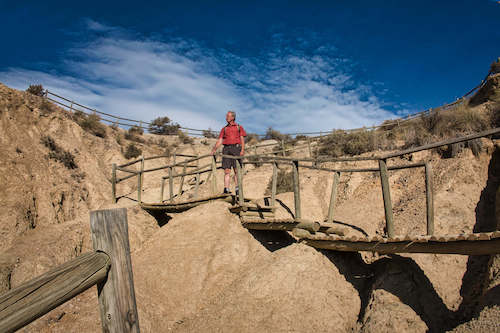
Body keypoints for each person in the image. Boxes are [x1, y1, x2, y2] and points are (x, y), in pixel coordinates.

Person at [211, 111, 247, 194]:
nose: (226, 117)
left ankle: (237, 188)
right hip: (226, 149)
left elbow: (242, 139)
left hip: (236, 149)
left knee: (236, 169)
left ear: (233, 117)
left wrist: (242, 150)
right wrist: (214, 149)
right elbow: (220, 140)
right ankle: (226, 189)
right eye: (226, 116)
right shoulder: (224, 129)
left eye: (228, 116)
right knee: (226, 170)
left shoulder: (239, 127)